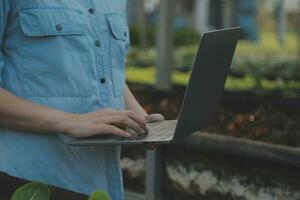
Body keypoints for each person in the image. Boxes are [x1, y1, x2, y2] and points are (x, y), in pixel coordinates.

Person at [0, 0, 163, 199]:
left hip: (103, 185)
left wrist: (138, 117)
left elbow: (108, 69)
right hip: (34, 183)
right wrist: (70, 121)